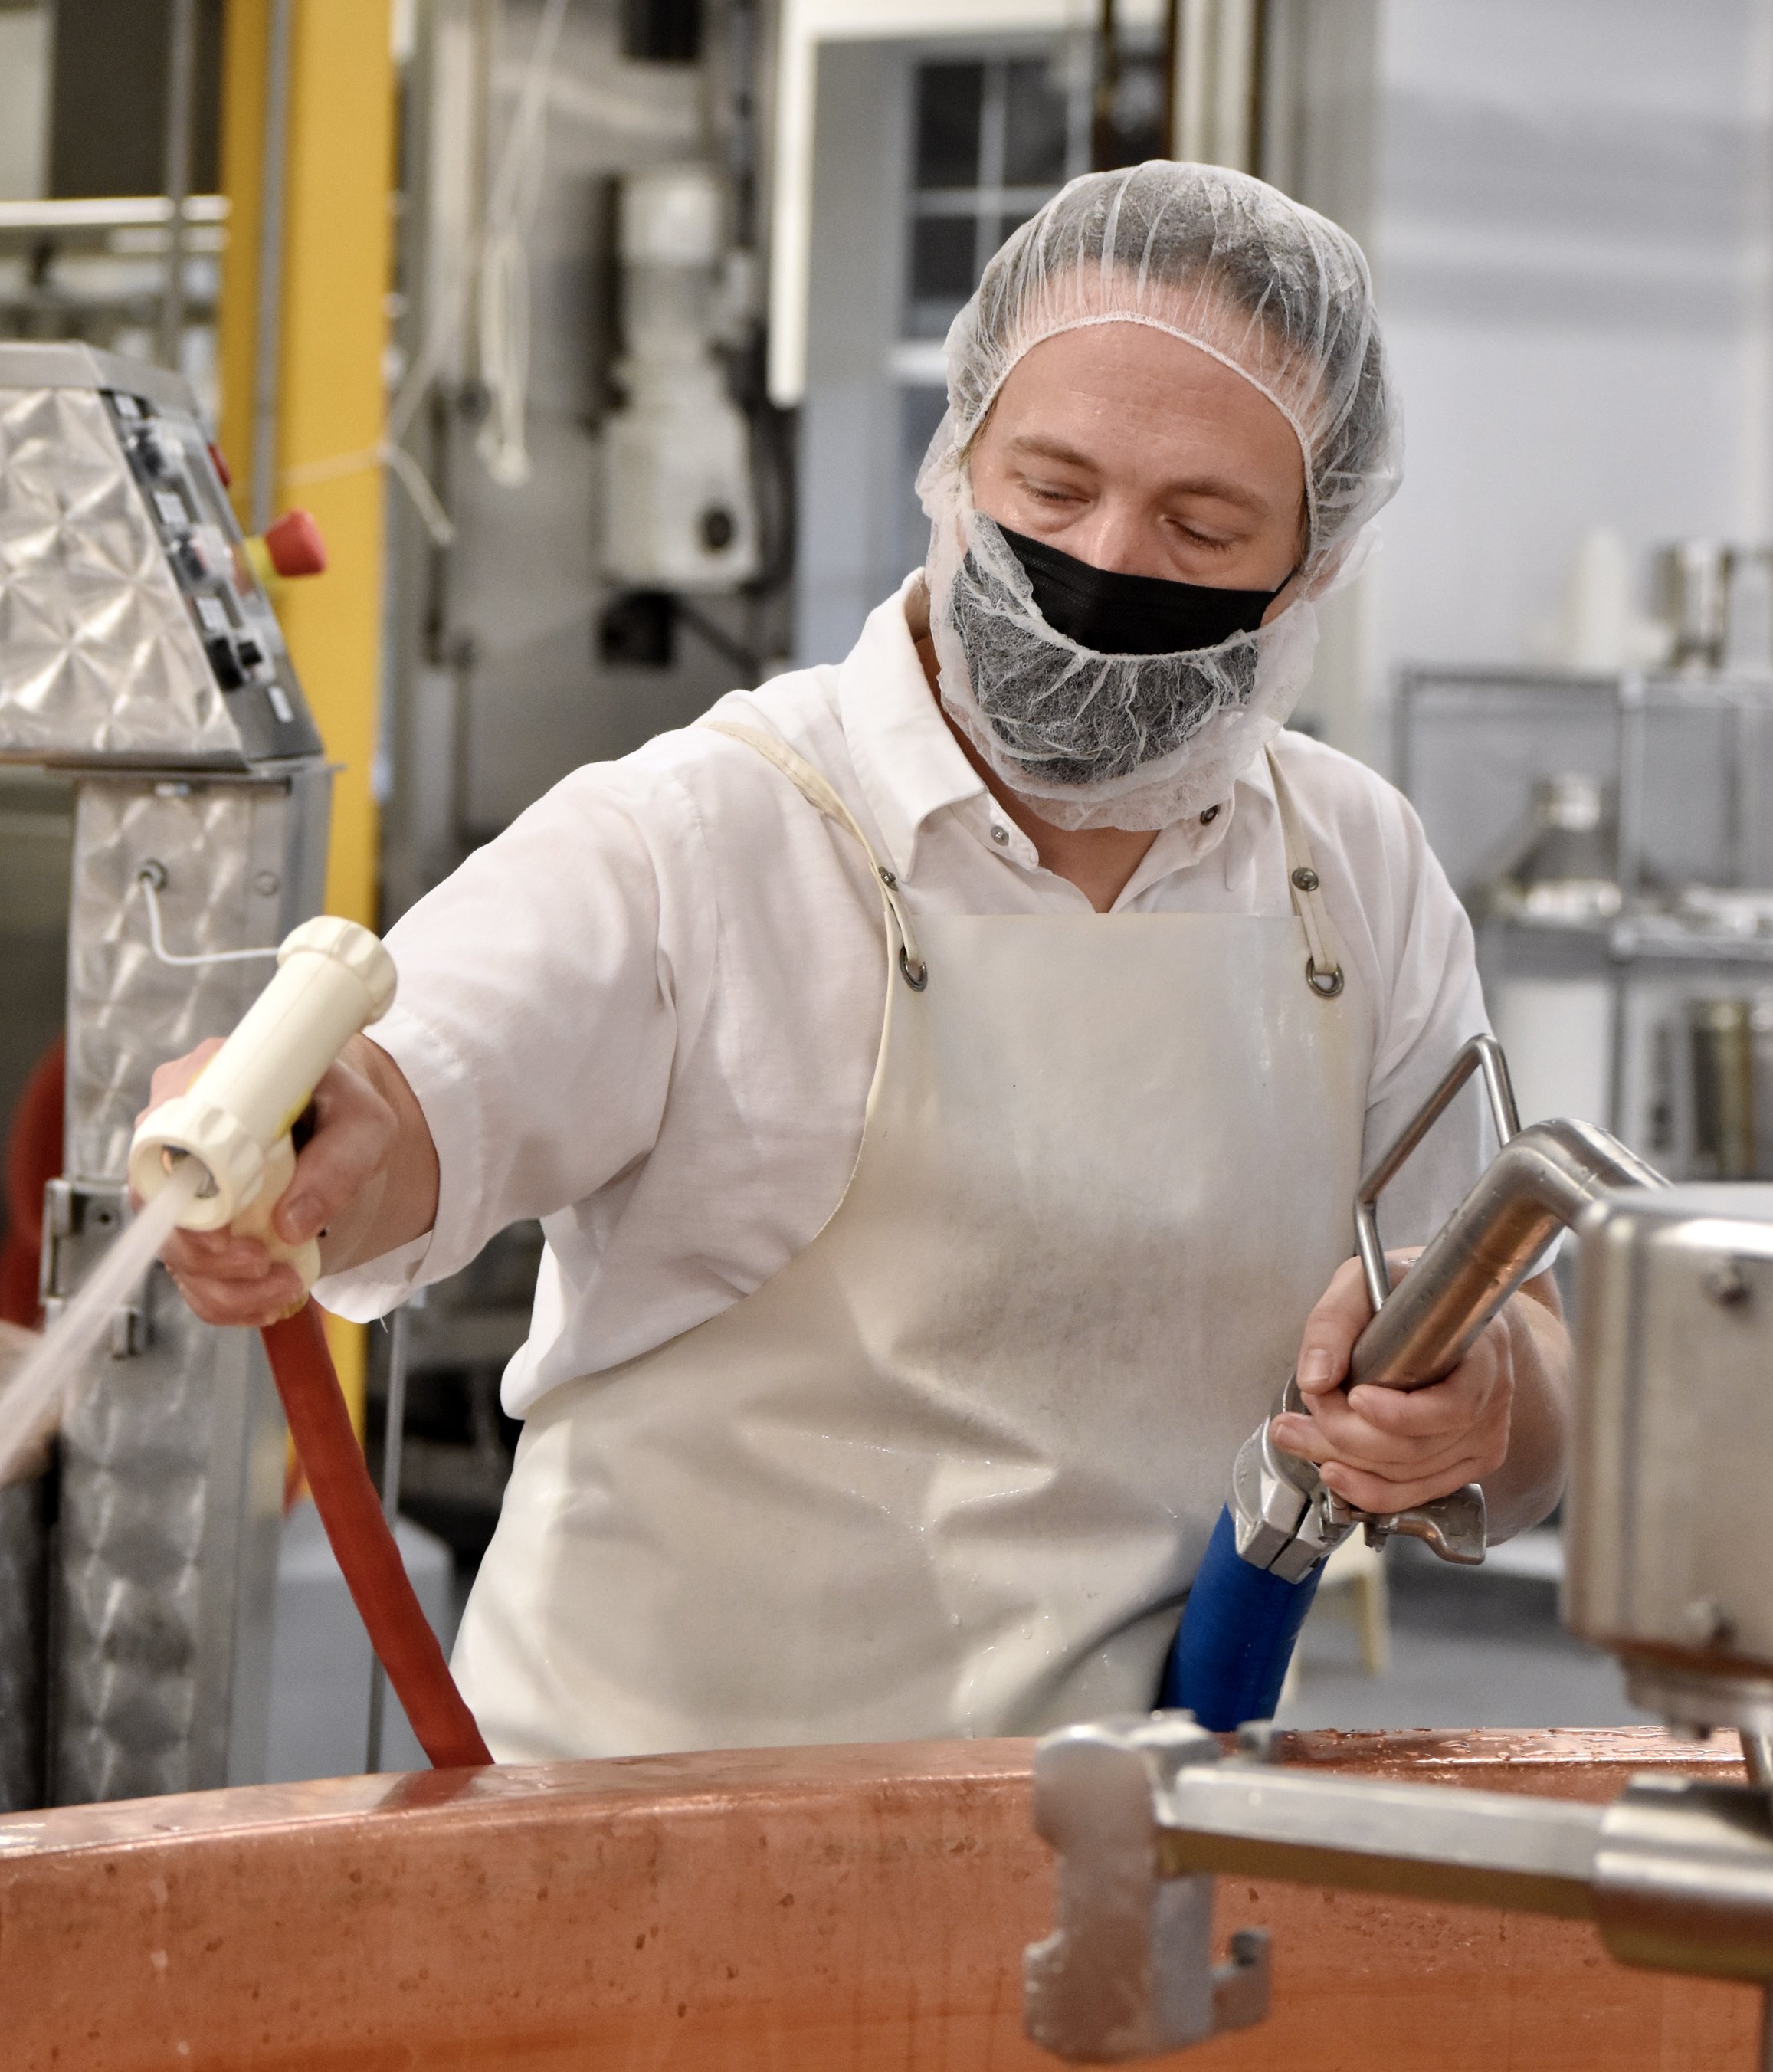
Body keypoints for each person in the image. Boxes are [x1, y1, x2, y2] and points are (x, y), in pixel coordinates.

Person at [149, 162, 1570, 1759]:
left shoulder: (1349, 874)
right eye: (1049, 486)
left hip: (1123, 1850)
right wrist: (319, 1125)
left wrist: (1484, 1410)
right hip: (646, 1859)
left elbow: (1513, 1375)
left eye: (1198, 523)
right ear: (952, 466)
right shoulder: (707, 830)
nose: (1105, 557)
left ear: (1307, 567)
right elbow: (422, 1089)